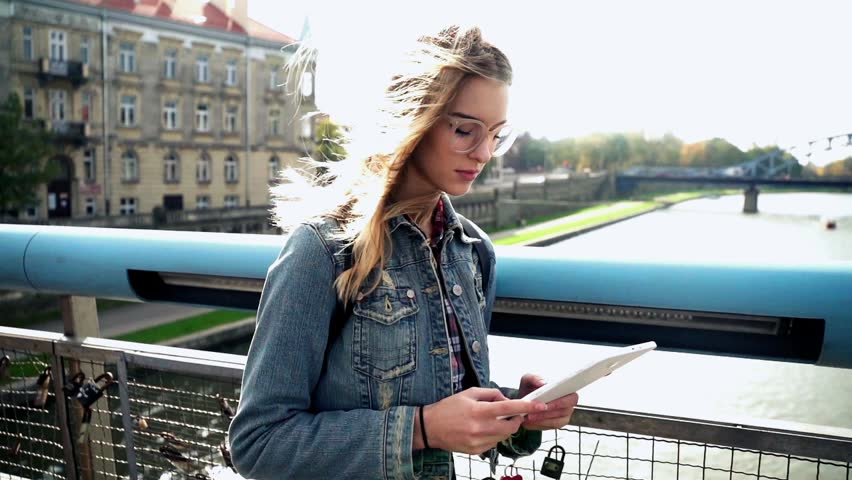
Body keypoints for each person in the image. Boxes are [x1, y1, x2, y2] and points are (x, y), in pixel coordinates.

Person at [229, 25, 579, 479]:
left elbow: (447, 405)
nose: (484, 153)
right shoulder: (324, 251)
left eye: (496, 134)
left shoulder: (473, 252)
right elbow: (258, 443)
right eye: (465, 130)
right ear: (413, 119)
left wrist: (522, 412)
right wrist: (421, 429)